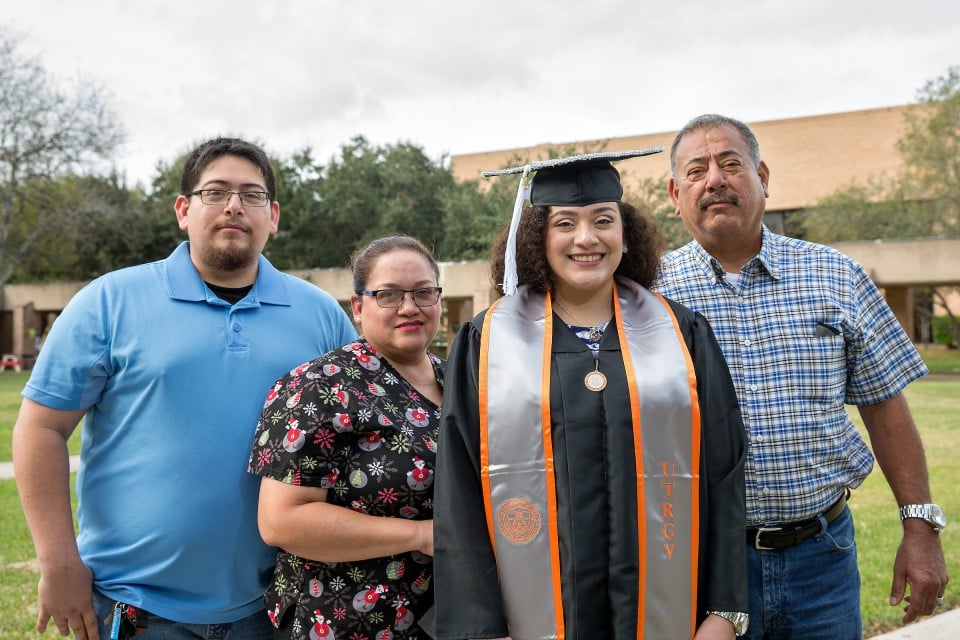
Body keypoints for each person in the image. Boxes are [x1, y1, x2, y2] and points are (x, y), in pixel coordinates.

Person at [12, 137, 358, 640]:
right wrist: (58, 560)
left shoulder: (320, 314)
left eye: (252, 194)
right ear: (183, 209)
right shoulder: (110, 301)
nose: (234, 205)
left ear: (274, 216)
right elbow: (40, 428)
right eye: (215, 192)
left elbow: (366, 429)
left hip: (280, 605)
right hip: (133, 607)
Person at [434, 150, 750, 640]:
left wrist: (725, 611)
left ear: (625, 233)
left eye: (604, 220)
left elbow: (724, 473)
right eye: (565, 223)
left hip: (673, 614)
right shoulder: (488, 342)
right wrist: (484, 629)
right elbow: (458, 492)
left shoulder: (681, 333)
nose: (586, 238)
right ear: (539, 238)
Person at [656, 113, 950, 639]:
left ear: (763, 177)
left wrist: (920, 527)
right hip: (702, 568)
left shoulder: (836, 276)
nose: (715, 180)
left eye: (730, 163)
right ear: (676, 195)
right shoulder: (646, 296)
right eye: (696, 171)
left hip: (823, 560)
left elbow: (884, 405)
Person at [249, 235, 444, 640]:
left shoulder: (464, 379)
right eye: (388, 295)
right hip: (347, 621)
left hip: (449, 617)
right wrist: (421, 535)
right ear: (358, 307)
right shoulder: (319, 386)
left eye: (423, 292)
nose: (409, 307)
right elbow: (281, 522)